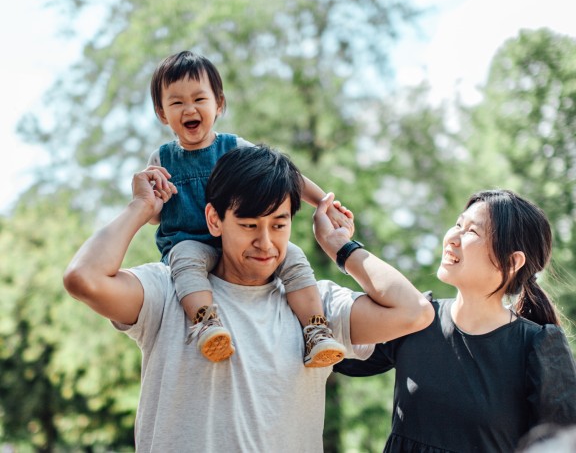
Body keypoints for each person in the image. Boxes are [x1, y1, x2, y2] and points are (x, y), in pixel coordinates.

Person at [63, 144, 434, 451]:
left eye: (279, 224)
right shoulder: (167, 290)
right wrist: (140, 208)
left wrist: (339, 246)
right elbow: (84, 278)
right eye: (248, 225)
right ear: (214, 219)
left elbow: (414, 311)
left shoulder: (316, 309)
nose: (266, 242)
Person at [146, 50, 351, 367]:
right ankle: (206, 324)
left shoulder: (235, 147)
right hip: (189, 242)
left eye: (200, 99)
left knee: (293, 256)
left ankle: (316, 329)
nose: (190, 109)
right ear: (162, 113)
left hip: (240, 241)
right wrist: (151, 197)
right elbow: (154, 215)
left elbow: (285, 177)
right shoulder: (162, 160)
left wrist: (324, 201)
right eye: (177, 103)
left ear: (219, 104)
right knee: (184, 259)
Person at [335, 189, 576, 452]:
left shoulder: (537, 345)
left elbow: (562, 443)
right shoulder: (416, 319)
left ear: (512, 261)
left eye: (472, 232)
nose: (452, 237)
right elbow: (329, 353)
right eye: (458, 224)